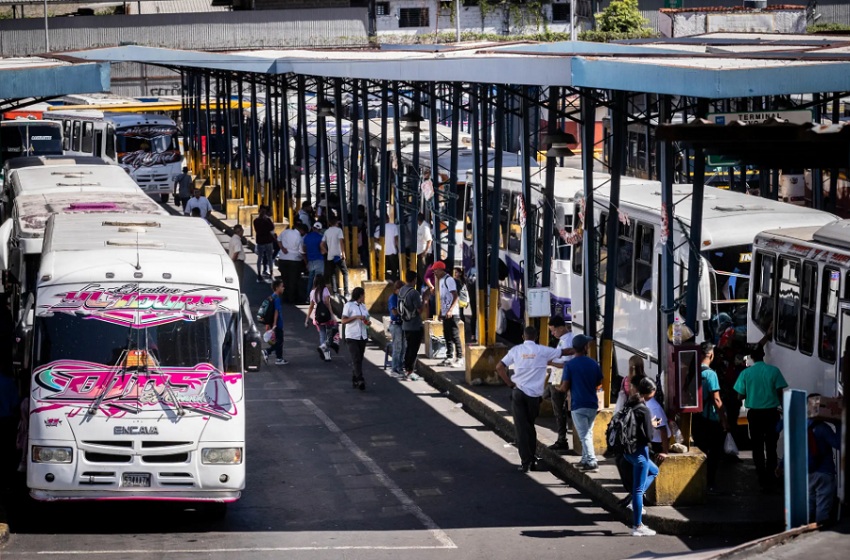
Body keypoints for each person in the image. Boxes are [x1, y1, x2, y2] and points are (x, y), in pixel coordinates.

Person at [496, 326, 567, 473]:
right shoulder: (543, 350)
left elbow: (499, 367)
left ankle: (526, 462)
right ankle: (532, 458)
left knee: (521, 429)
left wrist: (509, 383)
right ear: (536, 337)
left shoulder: (516, 350)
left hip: (518, 393)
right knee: (530, 426)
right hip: (534, 396)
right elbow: (564, 352)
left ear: (523, 336)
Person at [733, 346, 788, 490]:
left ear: (751, 357)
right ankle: (771, 474)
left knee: (757, 445)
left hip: (755, 414)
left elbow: (739, 395)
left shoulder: (746, 373)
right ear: (763, 355)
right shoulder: (774, 371)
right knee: (771, 445)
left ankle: (761, 475)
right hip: (771, 413)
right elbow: (780, 393)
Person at [622, 377, 662, 537]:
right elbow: (649, 436)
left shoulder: (630, 403)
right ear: (650, 392)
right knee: (638, 491)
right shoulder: (644, 409)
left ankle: (634, 502)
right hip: (639, 453)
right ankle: (637, 526)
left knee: (654, 471)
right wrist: (653, 424)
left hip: (628, 451)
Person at [559, 334, 603, 472]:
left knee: (584, 434)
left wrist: (558, 388)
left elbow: (565, 387)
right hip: (592, 403)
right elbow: (599, 382)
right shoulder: (593, 363)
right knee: (588, 432)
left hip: (578, 404)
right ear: (585, 348)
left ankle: (591, 461)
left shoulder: (570, 365)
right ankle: (584, 459)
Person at [692, 342, 728, 494]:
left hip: (696, 418)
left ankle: (697, 481)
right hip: (711, 419)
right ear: (711, 355)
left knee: (700, 450)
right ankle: (709, 482)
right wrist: (725, 421)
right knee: (713, 453)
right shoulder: (711, 374)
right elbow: (717, 399)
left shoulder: (692, 371)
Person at [807, 394, 841, 525]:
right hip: (825, 471)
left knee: (809, 503)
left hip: (807, 472)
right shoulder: (823, 428)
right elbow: (837, 444)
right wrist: (838, 424)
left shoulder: (801, 426)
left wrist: (781, 466)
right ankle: (820, 531)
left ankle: (805, 530)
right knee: (823, 505)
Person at [546, 315, 575, 453]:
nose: (553, 334)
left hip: (560, 378)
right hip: (556, 376)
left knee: (558, 410)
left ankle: (562, 439)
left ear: (561, 327)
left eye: (554, 330)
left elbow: (566, 364)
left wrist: (551, 362)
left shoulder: (568, 340)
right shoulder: (564, 339)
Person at [434, 261, 464, 369]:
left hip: (452, 313)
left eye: (436, 270)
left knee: (455, 335)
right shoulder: (441, 281)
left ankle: (460, 358)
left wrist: (450, 310)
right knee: (447, 335)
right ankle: (449, 356)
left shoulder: (449, 280)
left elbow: (455, 296)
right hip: (445, 313)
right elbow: (443, 298)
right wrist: (440, 312)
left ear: (441, 270)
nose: (434, 273)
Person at [341, 287, 370, 391]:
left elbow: (367, 320)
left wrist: (367, 322)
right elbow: (343, 320)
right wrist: (356, 317)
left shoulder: (363, 307)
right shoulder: (349, 306)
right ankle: (360, 379)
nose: (364, 297)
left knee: (359, 359)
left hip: (362, 335)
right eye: (363, 295)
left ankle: (355, 378)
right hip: (352, 336)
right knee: (356, 358)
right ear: (360, 295)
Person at [305, 274, 337, 362]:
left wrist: (307, 318)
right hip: (327, 316)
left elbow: (311, 306)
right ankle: (325, 350)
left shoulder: (312, 292)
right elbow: (327, 302)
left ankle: (325, 354)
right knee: (330, 334)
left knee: (322, 334)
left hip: (318, 316)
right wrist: (332, 314)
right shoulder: (325, 290)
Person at [399, 271, 424, 381]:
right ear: (414, 280)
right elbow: (419, 309)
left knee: (408, 347)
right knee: (413, 349)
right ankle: (409, 372)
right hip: (415, 325)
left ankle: (406, 369)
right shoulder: (414, 293)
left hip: (405, 324)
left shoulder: (402, 290)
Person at [321, 216, 350, 298]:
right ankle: (346, 292)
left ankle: (335, 292)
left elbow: (321, 245)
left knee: (332, 274)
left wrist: (327, 252)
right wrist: (343, 253)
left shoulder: (327, 232)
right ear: (336, 223)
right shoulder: (339, 230)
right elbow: (341, 242)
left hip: (330, 256)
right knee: (345, 272)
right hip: (338, 255)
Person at [277, 222, 304, 303]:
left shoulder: (285, 232)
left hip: (283, 258)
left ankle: (284, 298)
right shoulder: (299, 237)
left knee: (285, 280)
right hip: (294, 260)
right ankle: (291, 299)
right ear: (301, 230)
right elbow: (301, 250)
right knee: (293, 281)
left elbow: (278, 240)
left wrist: (282, 248)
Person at [387, 280, 407, 378]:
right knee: (397, 347)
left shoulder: (403, 298)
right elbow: (394, 311)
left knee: (404, 347)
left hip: (403, 324)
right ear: (396, 290)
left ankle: (400, 367)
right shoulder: (393, 298)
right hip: (396, 325)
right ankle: (394, 368)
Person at [253, 206, 277, 282]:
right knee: (269, 257)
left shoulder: (256, 221)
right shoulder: (267, 220)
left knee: (260, 257)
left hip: (260, 241)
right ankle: (270, 273)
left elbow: (258, 230)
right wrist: (266, 220)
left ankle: (259, 274)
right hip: (268, 241)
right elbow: (272, 227)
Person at [268, 279, 288, 366]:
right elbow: (276, 311)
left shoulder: (271, 297)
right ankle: (268, 352)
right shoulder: (277, 299)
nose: (283, 288)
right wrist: (275, 324)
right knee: (279, 341)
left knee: (278, 340)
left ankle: (279, 357)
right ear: (277, 288)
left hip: (273, 323)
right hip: (278, 324)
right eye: (282, 286)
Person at [416, 212, 433, 284]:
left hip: (424, 253)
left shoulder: (425, 227)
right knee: (420, 271)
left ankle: (426, 286)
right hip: (420, 252)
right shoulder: (419, 225)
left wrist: (425, 252)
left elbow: (429, 240)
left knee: (423, 272)